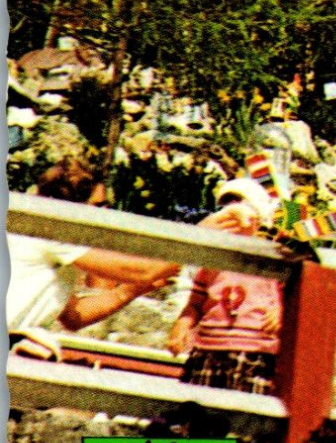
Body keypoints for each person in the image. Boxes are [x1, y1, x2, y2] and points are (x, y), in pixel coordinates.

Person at [7, 159, 180, 333]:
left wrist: (131, 290)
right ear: (71, 206)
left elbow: (74, 317)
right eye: (98, 206)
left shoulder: (43, 237)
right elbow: (141, 271)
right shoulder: (51, 231)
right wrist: (189, 254)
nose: (105, 215)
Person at [167, 177, 283, 395]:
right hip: (207, 348)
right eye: (225, 214)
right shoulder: (212, 260)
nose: (230, 221)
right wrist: (182, 324)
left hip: (251, 348)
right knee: (198, 409)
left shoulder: (271, 257)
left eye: (238, 214)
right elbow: (196, 303)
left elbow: (292, 290)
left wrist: (280, 310)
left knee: (242, 415)